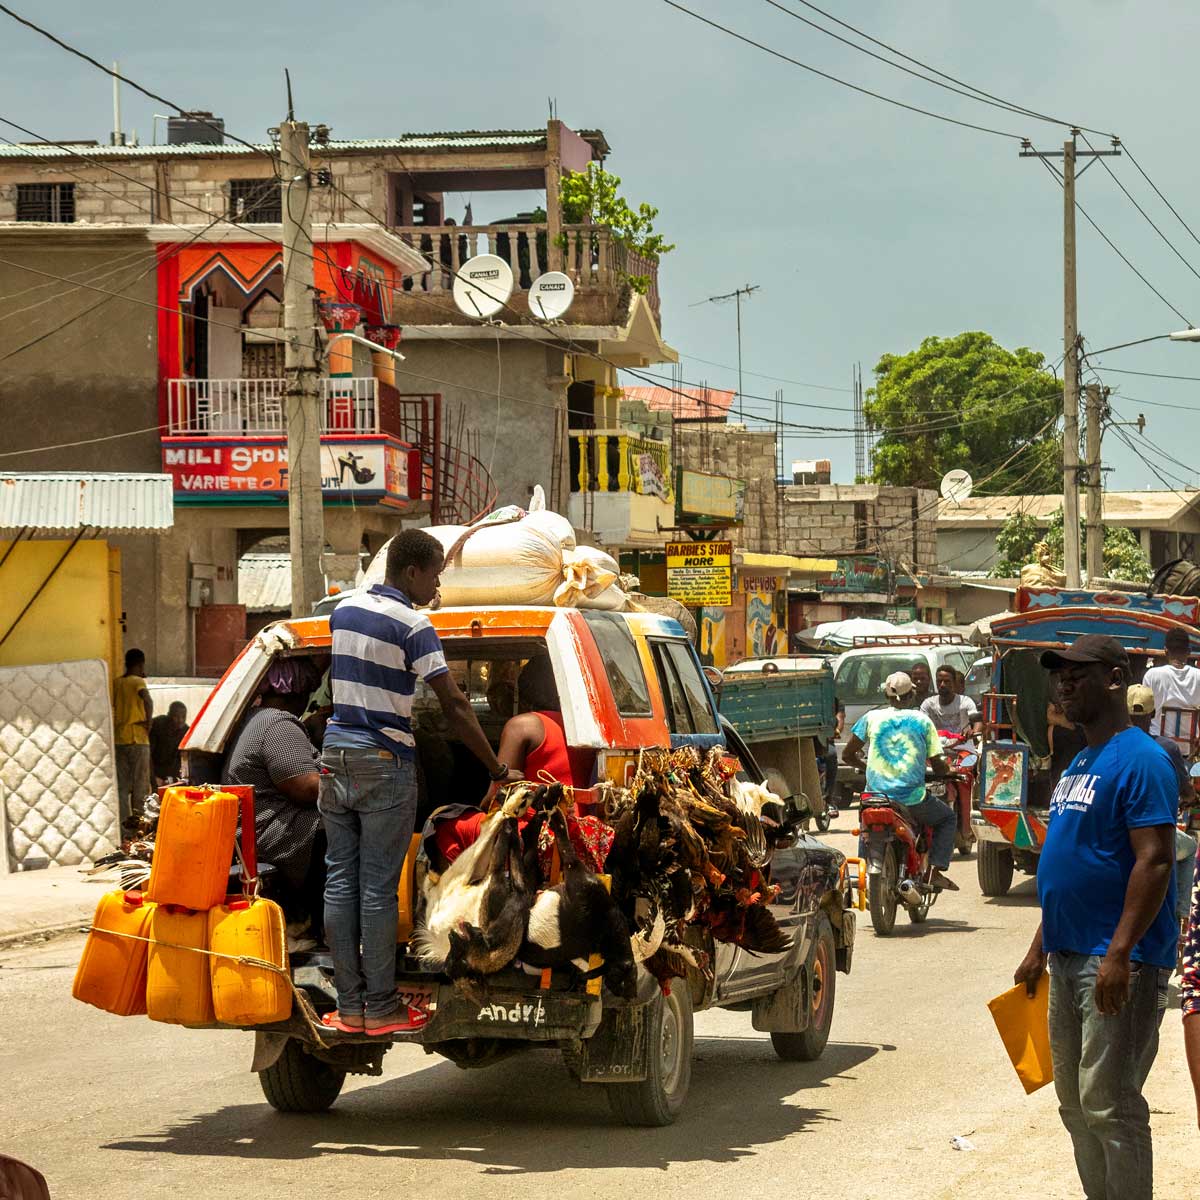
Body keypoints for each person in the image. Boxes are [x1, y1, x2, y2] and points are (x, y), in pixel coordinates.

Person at [321, 529, 521, 1036]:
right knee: (377, 889)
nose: (436, 586)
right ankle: (383, 1005)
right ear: (411, 571)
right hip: (383, 760)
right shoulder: (413, 626)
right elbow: (454, 703)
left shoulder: (342, 611)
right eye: (433, 574)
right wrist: (497, 771)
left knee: (340, 883)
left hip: (335, 755)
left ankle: (350, 1007)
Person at [1013, 634, 1176, 1200]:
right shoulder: (1079, 760)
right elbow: (1070, 862)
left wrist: (1120, 954)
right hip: (1068, 956)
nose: (1064, 684)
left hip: (1115, 963)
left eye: (1078, 674)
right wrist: (1040, 945)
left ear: (1115, 678)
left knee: (1110, 1103)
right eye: (1060, 675)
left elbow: (1153, 862)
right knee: (1074, 1103)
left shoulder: (1144, 760)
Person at [224, 659, 324, 946]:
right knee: (344, 824)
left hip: (252, 829)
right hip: (269, 832)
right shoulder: (278, 723)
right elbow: (305, 787)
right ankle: (325, 922)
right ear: (298, 692)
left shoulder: (255, 718)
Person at [842, 670, 958, 891]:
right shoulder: (922, 721)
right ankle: (934, 872)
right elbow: (938, 762)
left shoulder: (871, 718)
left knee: (866, 826)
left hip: (875, 797)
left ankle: (863, 869)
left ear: (887, 696)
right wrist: (947, 770)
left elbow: (848, 755)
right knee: (948, 818)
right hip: (911, 799)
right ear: (911, 696)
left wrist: (866, 767)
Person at [1128, 683, 1197, 926]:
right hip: (1153, 833)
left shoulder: (1107, 746)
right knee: (1189, 850)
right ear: (1154, 714)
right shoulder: (1166, 747)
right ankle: (1181, 916)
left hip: (1116, 830)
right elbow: (1187, 792)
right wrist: (1188, 798)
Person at [113, 648, 152, 827]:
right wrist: (148, 722)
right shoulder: (138, 681)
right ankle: (140, 827)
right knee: (140, 787)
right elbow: (147, 699)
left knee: (122, 788)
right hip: (138, 738)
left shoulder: (117, 683)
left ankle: (123, 828)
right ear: (140, 664)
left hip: (119, 739)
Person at [1142, 625, 1200, 745]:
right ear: (1189, 651)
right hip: (1190, 747)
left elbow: (1144, 713)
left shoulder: (1152, 675)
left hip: (1158, 744)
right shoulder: (1198, 675)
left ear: (1165, 650)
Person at [921, 666, 982, 737]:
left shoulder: (965, 701)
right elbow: (920, 725)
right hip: (938, 746)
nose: (942, 685)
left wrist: (974, 732)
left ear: (954, 683)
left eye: (947, 681)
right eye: (939, 681)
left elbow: (977, 721)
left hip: (963, 745)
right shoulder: (928, 704)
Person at [149, 701, 188, 786]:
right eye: (176, 717)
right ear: (169, 715)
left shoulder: (186, 731)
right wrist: (153, 777)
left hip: (172, 773)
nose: (180, 720)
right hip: (154, 770)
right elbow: (148, 755)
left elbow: (183, 758)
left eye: (183, 717)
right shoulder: (158, 725)